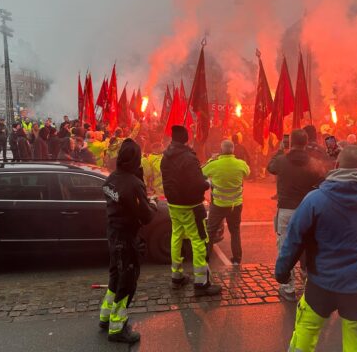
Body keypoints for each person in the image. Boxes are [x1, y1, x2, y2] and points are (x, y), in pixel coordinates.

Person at [275, 146, 357, 351]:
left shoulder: (316, 199)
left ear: (335, 166)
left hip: (322, 281)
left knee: (305, 333)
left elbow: (294, 238)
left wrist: (282, 272)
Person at [98, 139, 157, 344]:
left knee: (115, 275)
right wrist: (153, 205)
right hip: (126, 238)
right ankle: (117, 327)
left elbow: (123, 200)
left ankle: (105, 317)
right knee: (127, 282)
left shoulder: (111, 179)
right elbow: (146, 216)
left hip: (113, 234)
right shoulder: (133, 184)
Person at [161, 125, 221, 296]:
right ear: (186, 138)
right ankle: (201, 283)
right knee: (199, 241)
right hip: (191, 206)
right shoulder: (189, 157)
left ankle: (176, 276)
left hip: (173, 204)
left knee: (176, 237)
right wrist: (207, 183)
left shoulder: (166, 156)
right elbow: (197, 182)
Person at [267, 129, 326, 302]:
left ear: (291, 142)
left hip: (286, 209)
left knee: (285, 246)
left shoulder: (282, 160)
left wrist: (279, 150)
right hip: (307, 208)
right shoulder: (313, 162)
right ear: (306, 142)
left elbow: (270, 167)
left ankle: (288, 287)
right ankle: (309, 279)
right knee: (309, 244)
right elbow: (323, 177)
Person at [202, 139, 250, 265]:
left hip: (218, 204)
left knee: (211, 231)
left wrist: (211, 160)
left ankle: (205, 257)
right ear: (233, 150)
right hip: (235, 204)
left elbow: (201, 172)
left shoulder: (215, 164)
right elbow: (248, 173)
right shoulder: (241, 163)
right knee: (235, 231)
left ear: (221, 150)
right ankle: (237, 259)